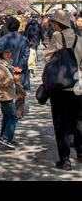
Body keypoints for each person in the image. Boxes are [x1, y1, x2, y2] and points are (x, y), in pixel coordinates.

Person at [44, 10, 82, 171]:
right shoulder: (80, 39)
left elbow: (48, 57)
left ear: (59, 24)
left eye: (54, 23)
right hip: (77, 85)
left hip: (60, 87)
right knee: (78, 120)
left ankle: (65, 159)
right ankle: (80, 152)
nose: (53, 25)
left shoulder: (57, 37)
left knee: (61, 122)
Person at [0, 38, 26, 149]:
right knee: (13, 116)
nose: (9, 54)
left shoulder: (7, 64)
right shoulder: (0, 66)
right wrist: (14, 80)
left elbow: (12, 79)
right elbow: (2, 82)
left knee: (7, 116)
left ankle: (4, 136)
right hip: (4, 95)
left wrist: (20, 89)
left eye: (10, 52)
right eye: (6, 52)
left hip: (8, 94)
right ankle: (7, 138)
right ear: (1, 53)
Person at [0, 17, 30, 119]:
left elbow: (0, 55)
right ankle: (19, 111)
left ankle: (8, 112)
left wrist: (9, 66)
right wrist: (19, 66)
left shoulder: (3, 39)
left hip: (7, 68)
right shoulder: (24, 39)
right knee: (20, 91)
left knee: (6, 89)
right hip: (20, 69)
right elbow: (26, 54)